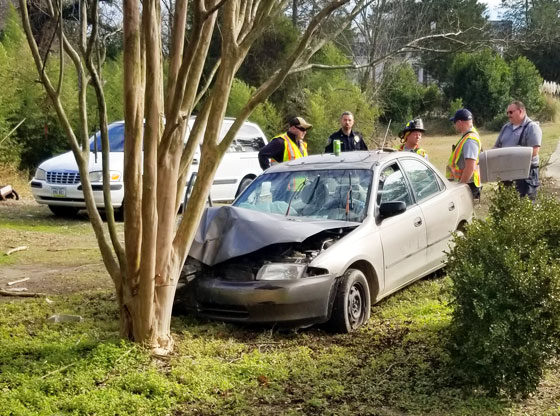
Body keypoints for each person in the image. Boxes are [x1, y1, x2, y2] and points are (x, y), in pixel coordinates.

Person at [493, 100, 542, 199]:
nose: (508, 115)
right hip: (506, 173)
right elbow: (496, 147)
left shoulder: (532, 127)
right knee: (506, 204)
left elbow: (534, 151)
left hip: (525, 174)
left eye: (511, 112)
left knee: (525, 206)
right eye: (507, 113)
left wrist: (514, 156)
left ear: (521, 111)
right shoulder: (506, 128)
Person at [447, 108, 482, 198]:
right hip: (467, 184)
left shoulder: (470, 140)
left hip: (468, 185)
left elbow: (470, 167)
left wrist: (460, 187)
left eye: (454, 123)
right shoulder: (468, 136)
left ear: (459, 122)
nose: (454, 126)